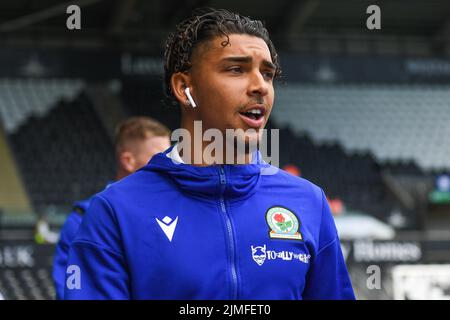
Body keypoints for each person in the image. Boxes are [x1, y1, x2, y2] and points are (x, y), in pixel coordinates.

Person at [65, 8, 355, 299]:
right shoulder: (115, 211)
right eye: (236, 69)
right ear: (184, 87)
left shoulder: (309, 202)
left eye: (267, 74)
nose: (260, 87)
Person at [53, 116, 171, 299]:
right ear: (128, 160)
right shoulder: (82, 219)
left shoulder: (174, 214)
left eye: (171, 156)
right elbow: (68, 290)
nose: (170, 165)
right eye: (160, 157)